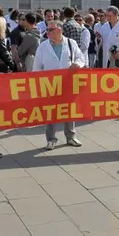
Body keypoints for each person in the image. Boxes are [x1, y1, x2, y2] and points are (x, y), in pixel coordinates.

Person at [33, 21, 86, 150]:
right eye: (47, 30)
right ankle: (51, 139)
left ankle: (71, 136)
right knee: (51, 112)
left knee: (69, 110)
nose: (48, 33)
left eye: (51, 30)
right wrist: (38, 83)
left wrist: (77, 64)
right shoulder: (43, 46)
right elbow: (37, 67)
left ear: (59, 30)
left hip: (68, 83)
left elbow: (81, 58)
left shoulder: (70, 43)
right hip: (49, 84)